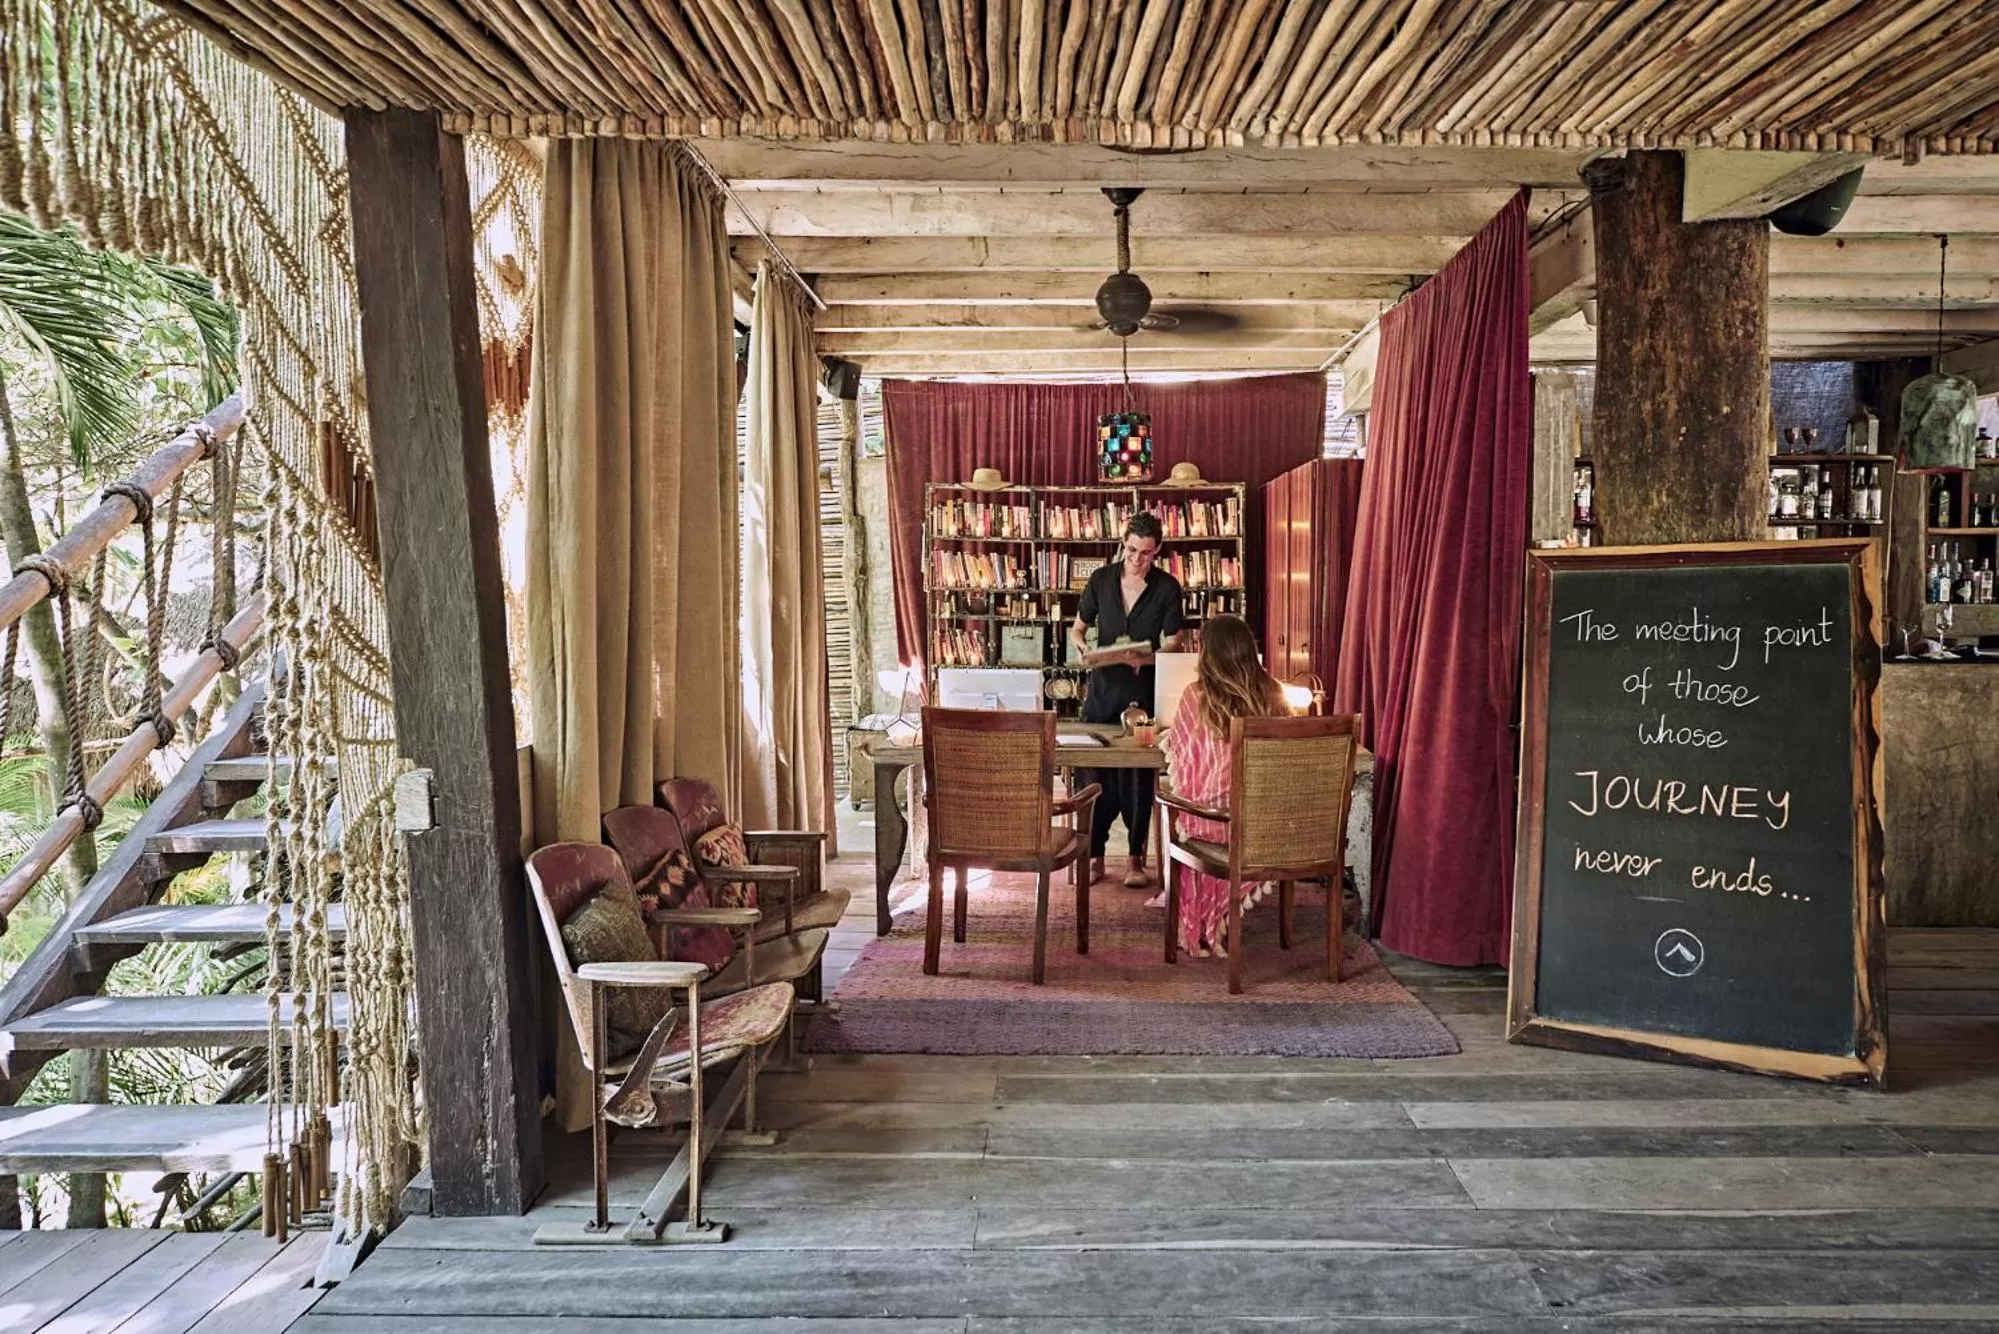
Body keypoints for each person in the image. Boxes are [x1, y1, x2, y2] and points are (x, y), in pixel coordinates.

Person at [1157, 614, 1290, 956]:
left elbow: (1184, 758)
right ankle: (1221, 917)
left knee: (1176, 812)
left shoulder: (1196, 695)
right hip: (1264, 826)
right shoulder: (1275, 694)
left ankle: (1202, 918)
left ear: (1208, 652)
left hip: (1214, 823)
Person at [1069, 511, 1184, 887]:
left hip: (1143, 696)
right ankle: (1095, 857)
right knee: (1093, 777)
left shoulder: (1167, 587)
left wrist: (1145, 658)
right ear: (1123, 544)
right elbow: (1078, 629)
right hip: (1101, 695)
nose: (1137, 559)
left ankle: (1136, 860)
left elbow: (1174, 641)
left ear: (1158, 550)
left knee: (1137, 779)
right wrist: (1084, 649)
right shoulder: (1101, 580)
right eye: (1132, 550)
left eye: (1146, 553)